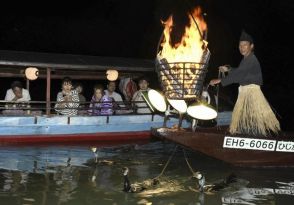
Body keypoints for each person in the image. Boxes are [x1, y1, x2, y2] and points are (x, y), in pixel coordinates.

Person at [209, 30, 280, 136]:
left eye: (245, 45)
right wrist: (228, 69)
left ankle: (256, 139)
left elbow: (240, 74)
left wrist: (220, 80)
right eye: (240, 45)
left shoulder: (251, 59)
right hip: (246, 94)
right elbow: (241, 71)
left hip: (252, 95)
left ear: (251, 46)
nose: (242, 47)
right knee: (245, 120)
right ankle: (247, 136)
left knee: (252, 119)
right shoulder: (246, 59)